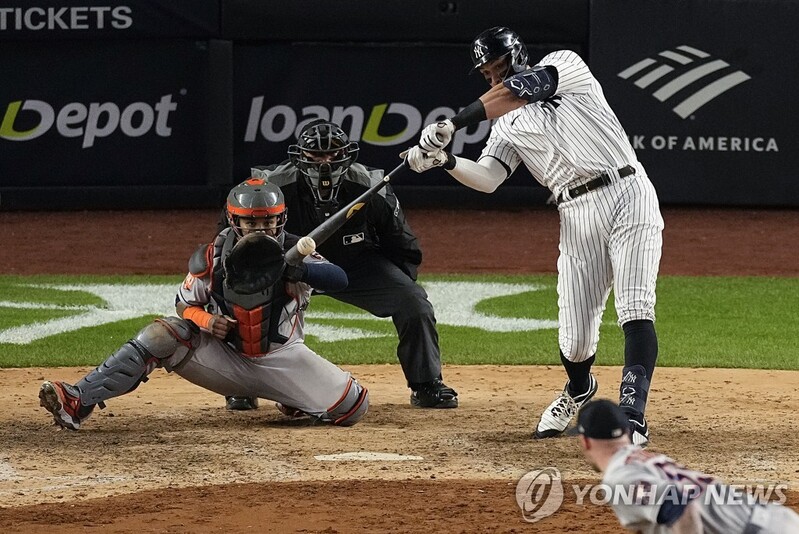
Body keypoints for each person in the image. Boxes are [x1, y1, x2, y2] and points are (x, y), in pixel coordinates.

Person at [404, 27, 663, 444]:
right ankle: (579, 389)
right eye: (486, 73)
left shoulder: (565, 65)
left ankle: (632, 416)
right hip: (575, 213)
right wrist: (445, 160)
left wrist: (453, 123)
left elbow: (519, 90)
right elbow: (489, 177)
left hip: (627, 191)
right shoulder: (505, 125)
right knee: (575, 343)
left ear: (517, 55)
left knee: (635, 307)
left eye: (498, 66)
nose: (494, 77)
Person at [39, 178, 369, 430]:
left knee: (353, 407)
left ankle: (293, 398)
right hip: (226, 359)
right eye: (252, 222)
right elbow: (185, 305)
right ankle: (78, 400)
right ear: (235, 221)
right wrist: (208, 322)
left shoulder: (295, 251)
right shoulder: (213, 257)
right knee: (163, 334)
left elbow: (339, 279)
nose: (261, 229)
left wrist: (294, 269)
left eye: (268, 222)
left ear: (280, 219)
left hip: (284, 359)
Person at [223, 120, 457, 411]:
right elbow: (229, 242)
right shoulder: (268, 187)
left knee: (413, 301)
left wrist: (400, 283)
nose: (325, 162)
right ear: (299, 156)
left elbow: (402, 243)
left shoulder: (371, 186)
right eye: (316, 154)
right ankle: (241, 386)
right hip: (286, 265)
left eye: (332, 154)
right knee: (241, 302)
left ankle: (426, 383)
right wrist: (258, 275)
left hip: (354, 265)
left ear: (347, 155)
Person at [576, 399, 799, 533]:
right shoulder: (646, 460)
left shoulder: (619, 477)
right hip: (777, 520)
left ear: (585, 441)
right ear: (626, 432)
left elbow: (682, 508)